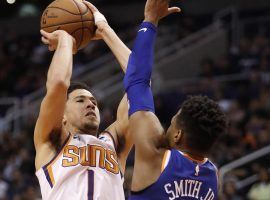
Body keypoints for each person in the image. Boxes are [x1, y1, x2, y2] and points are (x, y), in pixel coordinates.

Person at [123, 0, 227, 199]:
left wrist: (150, 20)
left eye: (171, 123)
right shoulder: (213, 177)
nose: (166, 128)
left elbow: (138, 81)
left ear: (178, 135)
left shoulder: (156, 156)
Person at [34, 2, 133, 199]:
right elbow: (59, 83)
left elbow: (140, 83)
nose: (90, 104)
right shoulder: (52, 140)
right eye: (80, 101)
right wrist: (65, 39)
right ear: (61, 115)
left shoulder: (114, 144)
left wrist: (105, 31)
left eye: (94, 102)